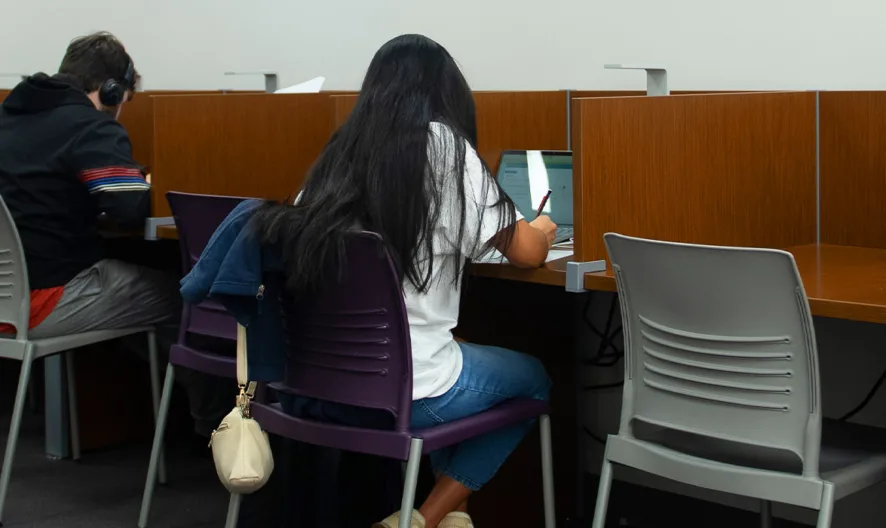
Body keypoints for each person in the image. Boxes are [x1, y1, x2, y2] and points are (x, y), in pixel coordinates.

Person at [253, 34, 554, 528]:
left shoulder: (336, 154)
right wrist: (541, 230)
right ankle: (422, 518)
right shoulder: (444, 146)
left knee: (460, 352)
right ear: (446, 92)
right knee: (534, 380)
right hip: (405, 396)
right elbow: (525, 253)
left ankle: (443, 515)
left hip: (313, 387)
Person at [0, 32, 229, 438]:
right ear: (110, 90)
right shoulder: (88, 127)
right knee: (192, 299)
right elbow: (127, 209)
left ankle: (174, 420)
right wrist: (136, 178)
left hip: (9, 297)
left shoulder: (9, 116)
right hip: (47, 301)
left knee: (146, 291)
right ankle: (213, 434)